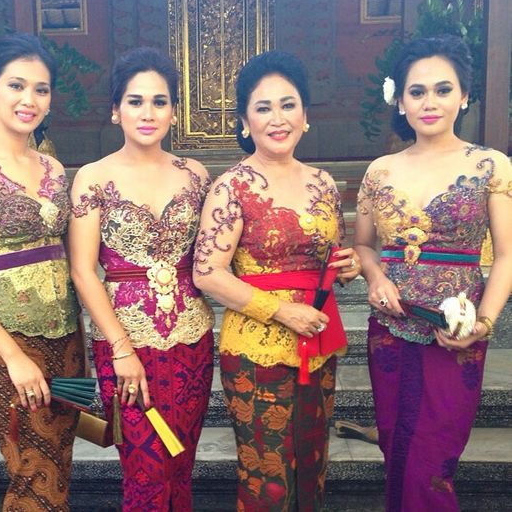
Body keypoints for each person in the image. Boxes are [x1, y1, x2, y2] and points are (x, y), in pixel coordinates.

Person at [193, 50, 361, 510]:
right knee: (267, 474)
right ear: (245, 122)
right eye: (263, 108)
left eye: (288, 105)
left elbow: (327, 260)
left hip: (317, 338)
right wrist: (281, 311)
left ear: (305, 115)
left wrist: (347, 267)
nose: (277, 118)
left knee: (312, 461)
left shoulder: (324, 183)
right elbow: (207, 272)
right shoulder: (232, 186)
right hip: (256, 348)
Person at [354, 35, 512, 511]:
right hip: (390, 328)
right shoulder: (379, 171)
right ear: (400, 101)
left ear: (464, 96)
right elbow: (363, 246)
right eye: (417, 91)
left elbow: (506, 256)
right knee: (396, 447)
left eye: (443, 90)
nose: (430, 102)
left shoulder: (490, 165)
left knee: (433, 461)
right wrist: (376, 278)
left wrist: (484, 323)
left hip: (457, 332)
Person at [68, 47, 214, 511]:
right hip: (125, 341)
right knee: (145, 468)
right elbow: (82, 270)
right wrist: (121, 349)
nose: (147, 113)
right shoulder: (93, 178)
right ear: (116, 110)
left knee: (180, 461)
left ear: (173, 111)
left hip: (192, 336)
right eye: (135, 101)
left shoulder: (196, 175)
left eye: (159, 101)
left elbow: (214, 257)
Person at [0, 33, 85, 511]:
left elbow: (72, 259)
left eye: (41, 89)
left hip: (67, 341)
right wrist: (12, 357)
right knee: (32, 475)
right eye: (16, 85)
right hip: (9, 344)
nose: (30, 100)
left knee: (58, 470)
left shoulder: (54, 169)